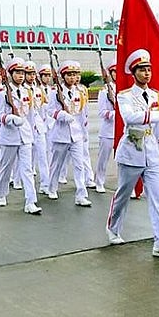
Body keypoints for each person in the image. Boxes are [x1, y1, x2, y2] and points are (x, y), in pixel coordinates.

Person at [105, 48, 159, 259]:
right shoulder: (125, 95)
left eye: (148, 69)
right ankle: (113, 228)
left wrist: (157, 141)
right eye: (142, 69)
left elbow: (156, 129)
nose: (146, 73)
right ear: (133, 72)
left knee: (157, 199)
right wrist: (157, 115)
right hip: (131, 151)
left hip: (151, 152)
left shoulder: (156, 95)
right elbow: (130, 117)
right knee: (123, 195)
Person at [0, 57, 41, 214]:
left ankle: (31, 201)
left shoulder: (28, 92)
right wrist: (9, 119)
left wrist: (33, 132)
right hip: (9, 136)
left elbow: (31, 114)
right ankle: (1, 194)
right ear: (10, 74)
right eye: (17, 72)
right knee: (6, 167)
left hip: (25, 135)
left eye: (23, 72)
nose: (21, 75)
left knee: (27, 169)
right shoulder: (3, 93)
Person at [45, 60, 92, 207]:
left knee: (79, 165)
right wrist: (60, 115)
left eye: (75, 75)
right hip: (61, 133)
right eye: (69, 75)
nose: (72, 78)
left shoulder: (80, 92)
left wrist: (84, 132)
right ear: (63, 76)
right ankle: (52, 188)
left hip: (76, 133)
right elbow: (49, 110)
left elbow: (83, 113)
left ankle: (81, 195)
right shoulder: (55, 92)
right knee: (56, 164)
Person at [24, 60, 51, 196]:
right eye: (28, 73)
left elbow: (41, 110)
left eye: (33, 73)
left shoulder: (38, 90)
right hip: (25, 128)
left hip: (39, 127)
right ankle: (19, 181)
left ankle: (45, 184)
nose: (31, 76)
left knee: (43, 157)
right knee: (26, 160)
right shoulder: (19, 91)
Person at [94, 58, 117, 194]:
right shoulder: (104, 91)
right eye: (114, 72)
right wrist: (116, 114)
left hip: (121, 130)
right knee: (103, 159)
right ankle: (99, 181)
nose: (116, 75)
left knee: (124, 159)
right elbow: (102, 112)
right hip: (108, 131)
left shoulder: (126, 90)